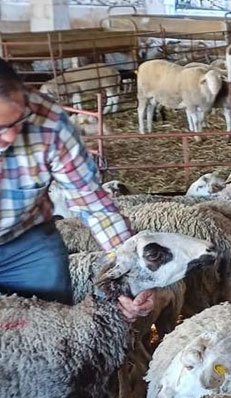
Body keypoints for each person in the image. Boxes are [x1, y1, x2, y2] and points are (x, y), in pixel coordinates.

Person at [0, 57, 153, 320]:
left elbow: (93, 204)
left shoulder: (48, 121)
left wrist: (130, 275)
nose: (11, 137)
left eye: (19, 120)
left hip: (26, 240)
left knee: (51, 330)